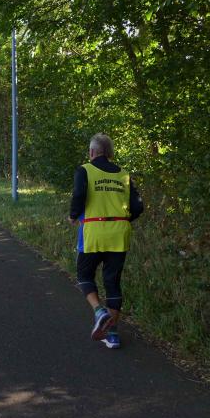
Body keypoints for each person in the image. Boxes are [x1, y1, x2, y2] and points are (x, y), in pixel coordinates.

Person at [68, 133, 144, 349]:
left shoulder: (85, 170)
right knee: (112, 282)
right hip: (120, 233)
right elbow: (138, 206)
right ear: (109, 153)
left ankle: (99, 311)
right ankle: (112, 334)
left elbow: (79, 195)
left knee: (84, 275)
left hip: (93, 232)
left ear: (92, 152)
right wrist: (121, 220)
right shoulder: (124, 174)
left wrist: (73, 215)